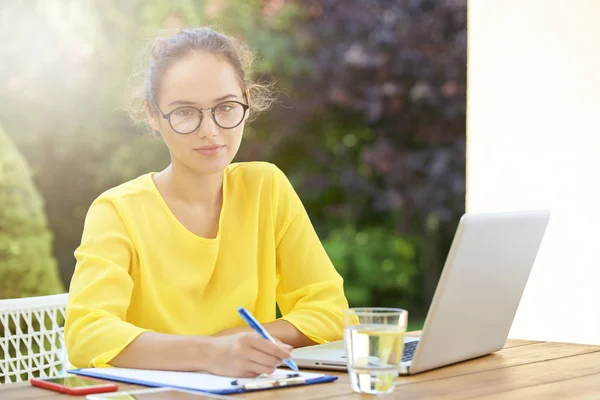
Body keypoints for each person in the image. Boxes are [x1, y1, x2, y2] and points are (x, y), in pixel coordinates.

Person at [64, 27, 349, 378]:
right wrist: (209, 353)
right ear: (152, 115)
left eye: (225, 107)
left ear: (246, 101)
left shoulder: (266, 187)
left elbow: (331, 312)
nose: (210, 130)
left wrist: (237, 341)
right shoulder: (117, 212)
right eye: (185, 113)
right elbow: (86, 335)